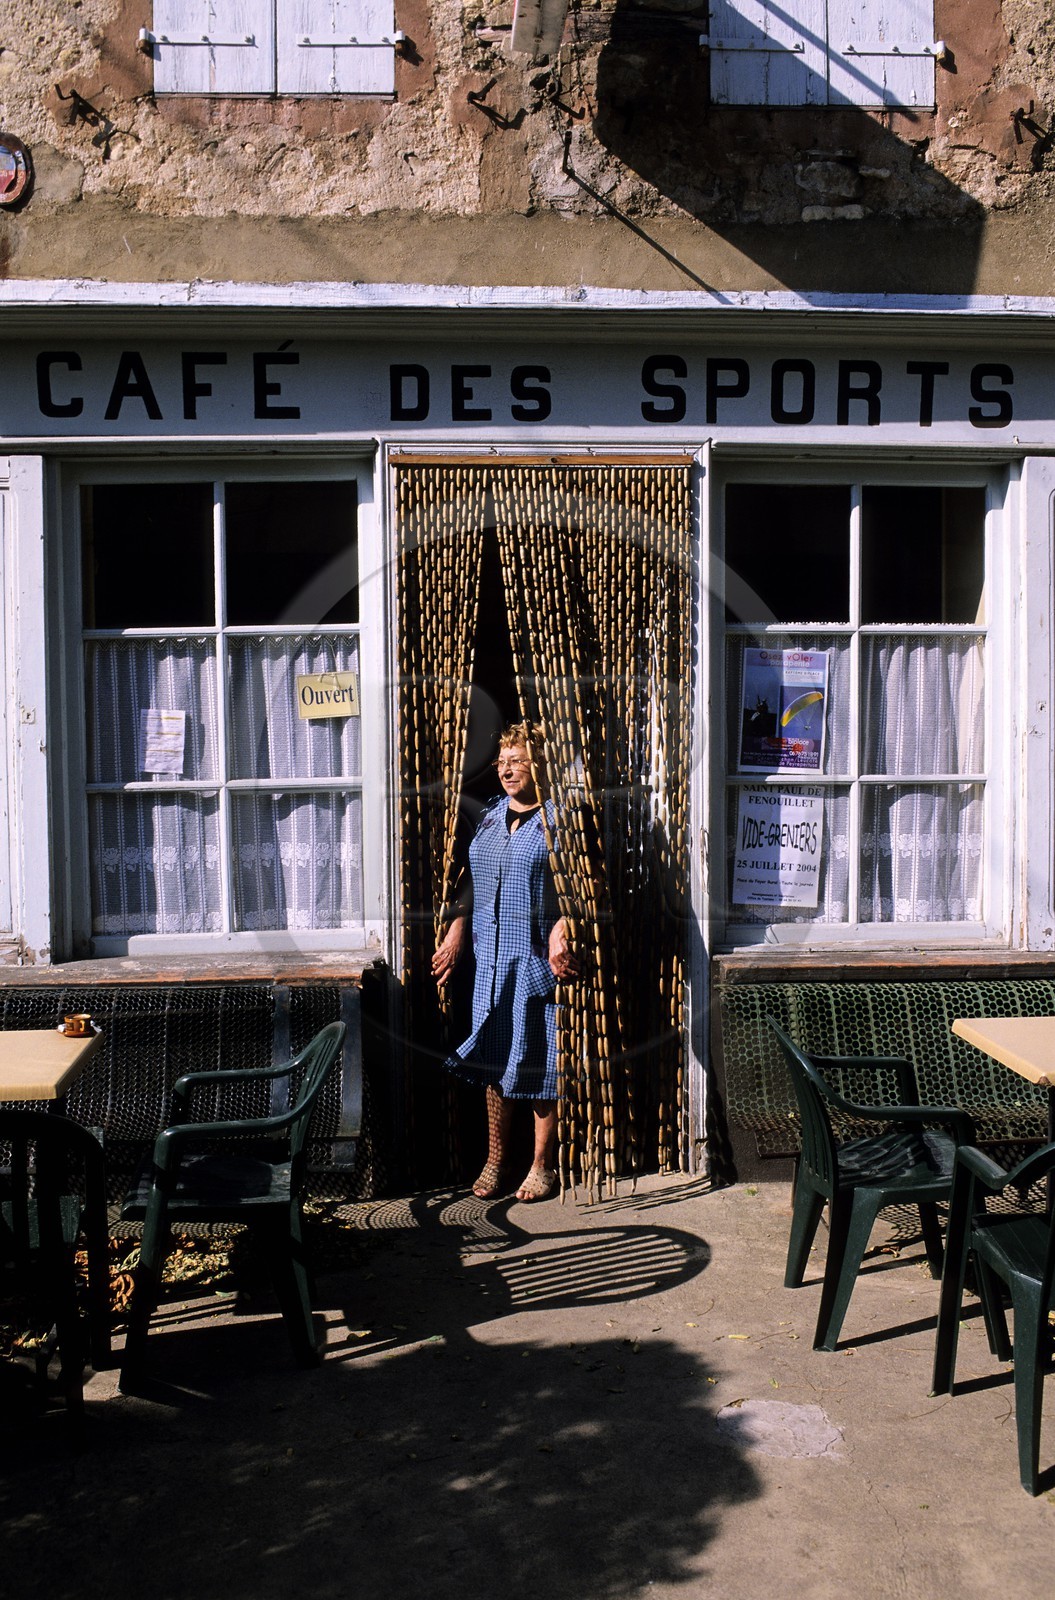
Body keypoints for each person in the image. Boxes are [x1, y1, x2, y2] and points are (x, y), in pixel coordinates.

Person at [432, 720, 576, 1202]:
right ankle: (495, 1159)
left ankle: (541, 1165)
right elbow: (473, 879)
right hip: (489, 964)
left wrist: (564, 927)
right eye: (502, 761)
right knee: (493, 1060)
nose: (507, 769)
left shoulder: (560, 821)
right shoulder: (492, 815)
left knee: (538, 1061)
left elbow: (579, 891)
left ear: (540, 765)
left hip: (534, 962)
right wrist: (456, 928)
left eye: (519, 760)